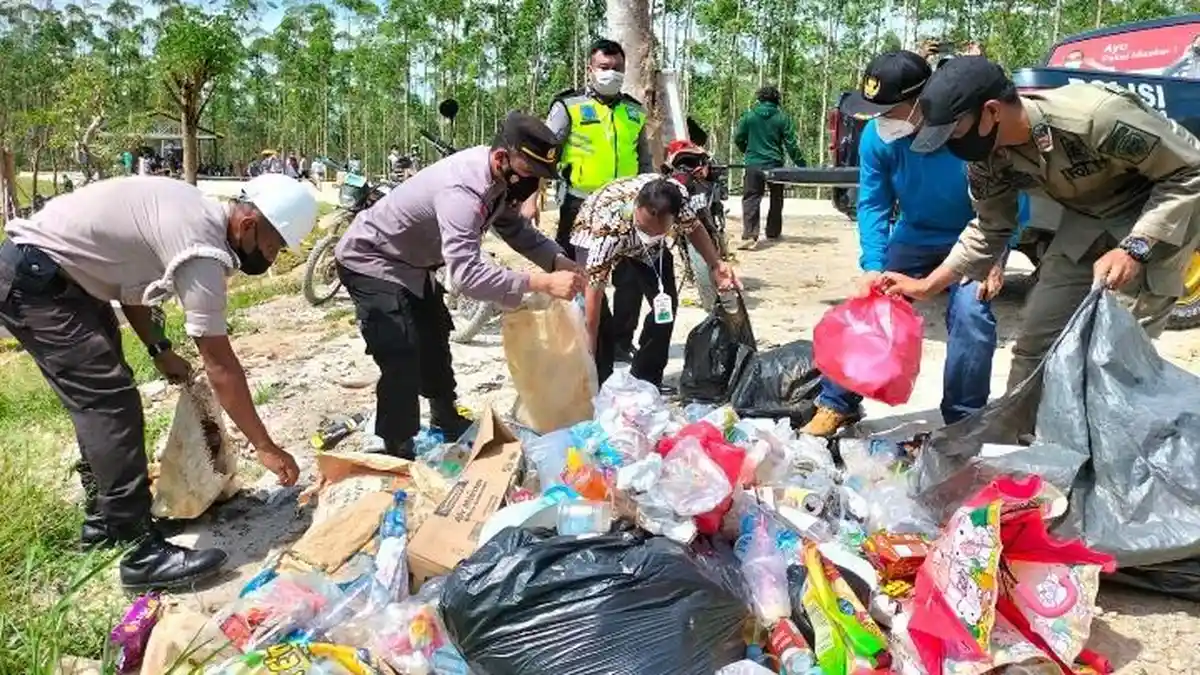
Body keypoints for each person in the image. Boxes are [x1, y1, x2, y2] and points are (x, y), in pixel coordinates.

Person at [0, 173, 318, 590]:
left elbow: (134, 290)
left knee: (105, 396)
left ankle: (105, 523)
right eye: (274, 246)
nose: (272, 259)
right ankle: (138, 552)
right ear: (248, 225)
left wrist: (159, 348)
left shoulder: (193, 213)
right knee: (109, 402)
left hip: (65, 278)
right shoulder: (202, 248)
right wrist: (264, 446)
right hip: (38, 282)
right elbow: (219, 363)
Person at [885, 56, 1200, 436]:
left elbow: (1190, 170)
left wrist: (1136, 247)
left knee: (1113, 356)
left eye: (954, 130)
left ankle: (1106, 470)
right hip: (1086, 219)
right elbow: (990, 227)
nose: (952, 143)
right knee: (1036, 341)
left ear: (990, 112)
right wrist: (927, 285)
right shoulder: (985, 156)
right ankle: (1007, 446)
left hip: (1157, 212)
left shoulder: (1093, 117)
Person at [334, 113, 585, 459]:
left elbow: (515, 229)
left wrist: (557, 260)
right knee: (400, 348)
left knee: (434, 333)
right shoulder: (464, 191)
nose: (532, 186)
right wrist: (540, 281)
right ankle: (397, 444)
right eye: (530, 174)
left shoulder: (499, 181)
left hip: (413, 264)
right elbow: (466, 277)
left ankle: (444, 415)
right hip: (371, 259)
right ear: (502, 159)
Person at [800, 50, 1008, 437]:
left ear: (922, 101)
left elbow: (1012, 199)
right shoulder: (877, 140)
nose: (881, 120)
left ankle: (964, 420)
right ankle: (836, 403)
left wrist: (995, 255)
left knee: (971, 314)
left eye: (890, 110)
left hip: (976, 234)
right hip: (914, 233)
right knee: (871, 303)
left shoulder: (968, 128)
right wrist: (873, 265)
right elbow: (874, 203)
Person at [538, 38, 654, 365]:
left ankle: (620, 341)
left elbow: (643, 159)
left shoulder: (634, 110)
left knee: (630, 280)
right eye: (604, 67)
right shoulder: (568, 106)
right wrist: (533, 195)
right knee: (584, 276)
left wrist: (649, 195)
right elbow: (545, 153)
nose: (611, 73)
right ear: (590, 68)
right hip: (580, 205)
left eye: (617, 68)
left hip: (628, 206)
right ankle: (592, 338)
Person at [571, 174, 739, 391]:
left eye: (657, 231)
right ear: (637, 207)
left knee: (665, 304)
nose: (649, 234)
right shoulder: (606, 231)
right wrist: (587, 355)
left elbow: (694, 228)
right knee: (597, 316)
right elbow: (593, 295)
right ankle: (598, 382)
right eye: (645, 228)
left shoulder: (679, 200)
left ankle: (646, 379)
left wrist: (716, 264)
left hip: (652, 252)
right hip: (597, 232)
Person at [734, 85, 804, 250]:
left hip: (753, 163)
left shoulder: (749, 117)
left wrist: (747, 151)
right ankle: (773, 231)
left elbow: (738, 138)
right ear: (777, 100)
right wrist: (802, 165)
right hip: (775, 165)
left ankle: (750, 235)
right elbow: (791, 145)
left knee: (751, 197)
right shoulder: (782, 118)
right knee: (776, 197)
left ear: (759, 99)